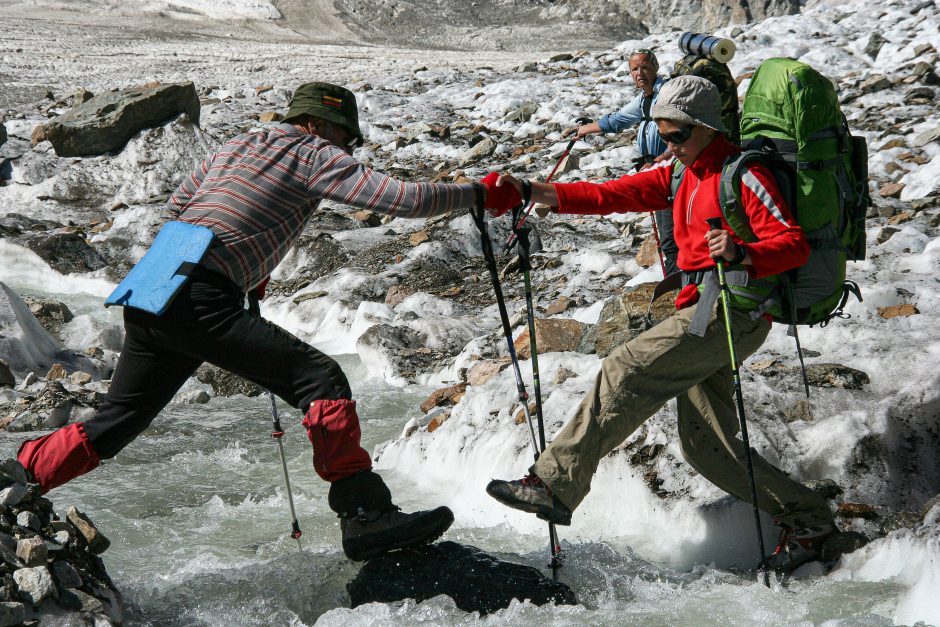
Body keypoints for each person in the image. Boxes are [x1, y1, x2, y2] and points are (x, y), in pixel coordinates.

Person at [16, 81, 520, 562]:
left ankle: (17, 477)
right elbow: (405, 200)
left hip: (152, 285)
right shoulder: (313, 151)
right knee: (319, 379)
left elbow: (179, 204)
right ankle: (366, 515)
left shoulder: (235, 146)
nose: (348, 148)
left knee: (118, 418)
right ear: (320, 124)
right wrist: (479, 194)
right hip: (199, 296)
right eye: (346, 136)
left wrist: (239, 263)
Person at [486, 75, 838, 573]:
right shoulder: (680, 172)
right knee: (706, 448)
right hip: (699, 309)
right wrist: (534, 191)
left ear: (706, 127)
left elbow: (793, 243)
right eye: (663, 135)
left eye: (676, 136)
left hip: (731, 312)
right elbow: (611, 195)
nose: (669, 146)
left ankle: (553, 484)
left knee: (623, 366)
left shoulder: (743, 173)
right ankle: (808, 519)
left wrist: (744, 252)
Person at [568, 48, 678, 275]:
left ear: (655, 68)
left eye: (645, 67)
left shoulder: (667, 95)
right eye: (634, 69)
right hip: (656, 174)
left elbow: (680, 137)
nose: (640, 73)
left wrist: (660, 160)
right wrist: (584, 129)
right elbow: (617, 121)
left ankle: (685, 289)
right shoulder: (644, 100)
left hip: (671, 173)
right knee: (667, 236)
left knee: (671, 238)